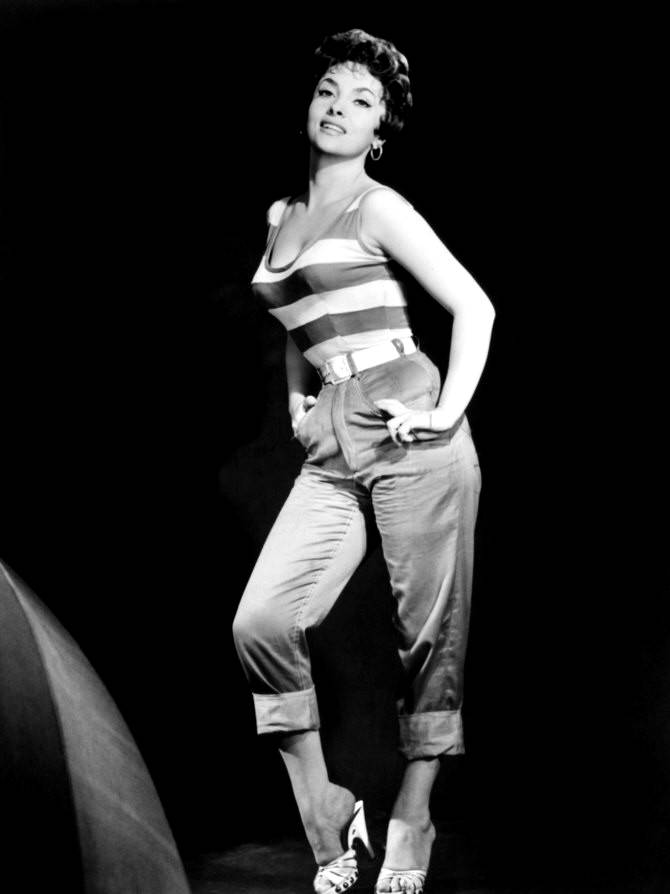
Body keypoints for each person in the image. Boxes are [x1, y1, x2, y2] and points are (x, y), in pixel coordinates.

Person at [232, 27, 495, 894]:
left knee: (427, 636)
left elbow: (475, 307)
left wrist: (445, 413)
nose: (339, 108)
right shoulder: (281, 216)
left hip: (407, 419)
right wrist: (298, 394)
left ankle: (413, 816)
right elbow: (297, 310)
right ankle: (326, 810)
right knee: (262, 622)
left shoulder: (379, 208)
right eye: (329, 91)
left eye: (363, 100)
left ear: (379, 130)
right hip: (334, 437)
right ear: (308, 106)